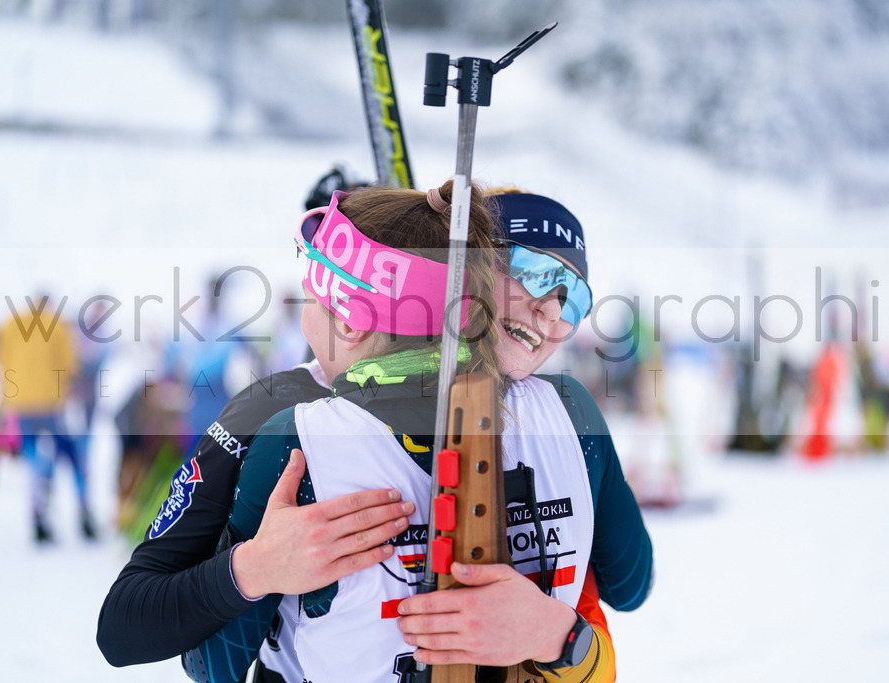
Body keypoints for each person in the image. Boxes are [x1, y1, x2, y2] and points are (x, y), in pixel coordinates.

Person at [97, 183, 651, 681]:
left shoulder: (287, 426)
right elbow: (127, 625)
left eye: (572, 296)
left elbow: (207, 665)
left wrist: (559, 633)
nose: (549, 310)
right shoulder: (570, 411)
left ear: (346, 317)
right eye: (528, 271)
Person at [0, 294, 96, 542]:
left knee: (34, 460)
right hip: (51, 404)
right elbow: (71, 364)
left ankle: (38, 516)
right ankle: (83, 514)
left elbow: (1, 360)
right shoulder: (57, 324)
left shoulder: (9, 324)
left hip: (19, 406)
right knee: (72, 457)